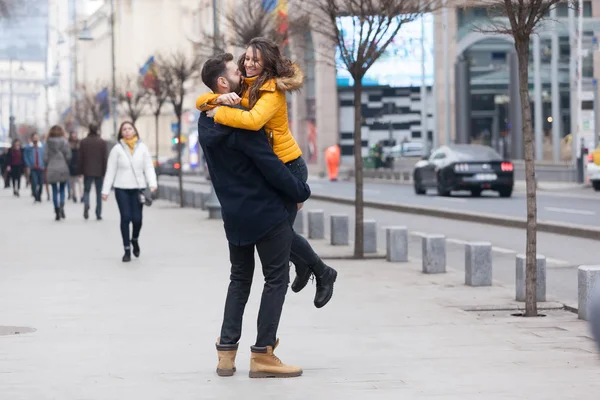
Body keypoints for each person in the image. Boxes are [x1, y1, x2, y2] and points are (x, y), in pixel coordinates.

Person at [196, 37, 337, 309]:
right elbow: (202, 99)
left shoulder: (271, 90)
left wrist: (219, 113)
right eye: (246, 58)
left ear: (267, 64)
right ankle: (310, 267)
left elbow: (252, 120)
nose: (247, 63)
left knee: (278, 231)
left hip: (289, 166)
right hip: (272, 167)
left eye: (255, 60)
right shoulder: (249, 84)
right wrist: (216, 99)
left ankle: (321, 272)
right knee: (277, 231)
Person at [199, 53, 312, 378]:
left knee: (239, 280)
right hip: (266, 213)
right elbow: (272, 166)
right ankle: (263, 354)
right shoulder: (240, 121)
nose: (242, 74)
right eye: (236, 71)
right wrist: (300, 191)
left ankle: (226, 353)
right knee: (276, 280)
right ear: (223, 82)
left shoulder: (207, 120)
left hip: (234, 216)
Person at [102, 122, 157, 262]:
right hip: (121, 188)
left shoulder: (142, 148)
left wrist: (152, 184)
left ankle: (135, 239)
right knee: (125, 217)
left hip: (138, 188)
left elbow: (149, 167)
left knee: (137, 219)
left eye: (129, 129)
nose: (127, 131)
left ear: (135, 131)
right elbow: (111, 170)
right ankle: (126, 249)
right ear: (121, 133)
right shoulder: (117, 149)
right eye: (124, 129)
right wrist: (105, 190)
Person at [78, 124, 108, 220]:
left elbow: (80, 158)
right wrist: (104, 172)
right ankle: (98, 213)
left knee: (87, 191)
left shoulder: (83, 142)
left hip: (87, 171)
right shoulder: (102, 142)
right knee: (99, 192)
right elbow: (105, 158)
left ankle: (86, 204)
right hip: (99, 171)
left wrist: (80, 171)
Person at [43, 125, 72, 220]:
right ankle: (62, 207)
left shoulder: (48, 142)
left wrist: (48, 163)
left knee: (54, 190)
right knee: (62, 189)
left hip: (52, 168)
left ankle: (56, 209)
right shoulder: (64, 142)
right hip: (63, 167)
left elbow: (45, 157)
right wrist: (65, 162)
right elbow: (68, 155)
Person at [23, 132, 45, 203]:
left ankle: (39, 195)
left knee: (41, 183)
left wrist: (44, 165)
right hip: (33, 168)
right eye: (34, 137)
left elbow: (45, 156)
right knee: (34, 182)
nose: (36, 138)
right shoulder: (28, 147)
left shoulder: (42, 147)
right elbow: (25, 157)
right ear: (32, 138)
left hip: (41, 168)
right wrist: (28, 164)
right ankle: (35, 196)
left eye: (37, 137)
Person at [67, 131, 82, 203]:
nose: (74, 136)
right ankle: (74, 196)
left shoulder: (79, 143)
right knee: (72, 182)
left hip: (79, 164)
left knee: (80, 182)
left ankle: (82, 196)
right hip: (71, 165)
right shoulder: (68, 144)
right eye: (73, 135)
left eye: (75, 135)